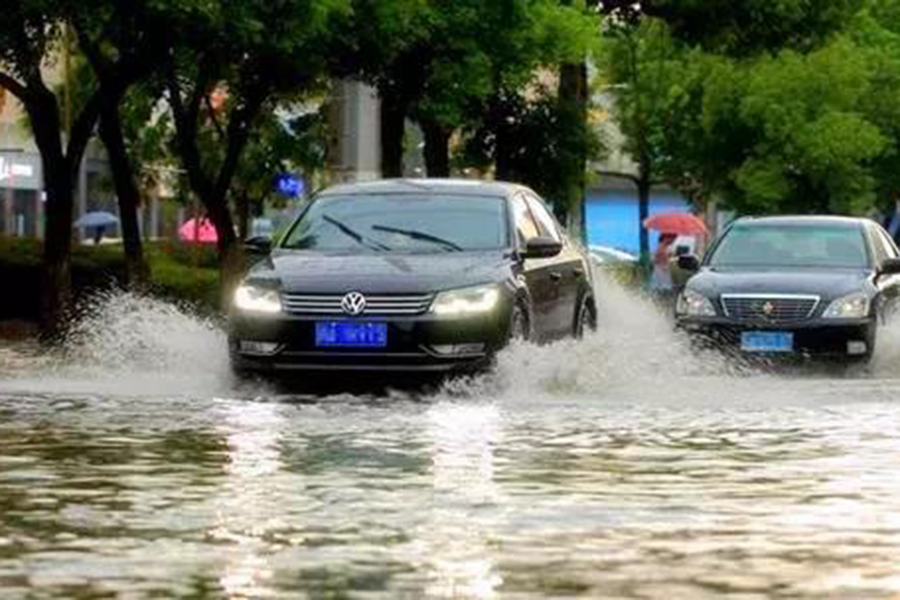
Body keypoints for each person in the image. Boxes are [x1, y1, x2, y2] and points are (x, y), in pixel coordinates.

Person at [650, 232, 677, 300]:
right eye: (672, 239)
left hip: (662, 272)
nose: (673, 241)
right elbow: (657, 260)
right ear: (666, 238)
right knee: (661, 290)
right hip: (660, 273)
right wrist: (664, 261)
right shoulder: (661, 247)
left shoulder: (664, 247)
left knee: (662, 290)